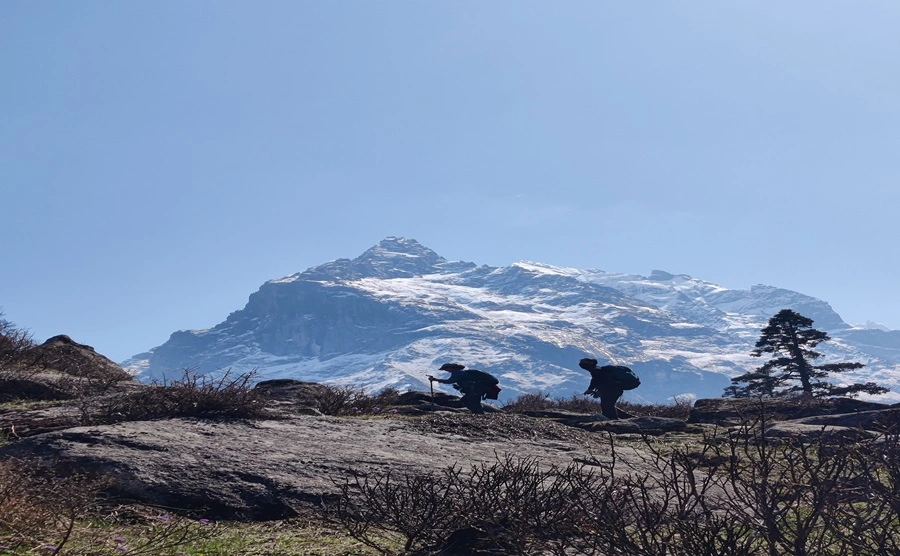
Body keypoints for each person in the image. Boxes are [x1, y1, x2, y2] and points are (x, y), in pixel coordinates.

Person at [428, 363, 499, 414]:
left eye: (446, 369)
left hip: (476, 389)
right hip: (477, 388)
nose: (446, 370)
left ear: (451, 368)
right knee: (472, 401)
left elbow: (450, 381)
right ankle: (478, 413)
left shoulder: (457, 373)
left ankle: (479, 413)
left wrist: (436, 379)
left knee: (468, 400)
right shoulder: (461, 372)